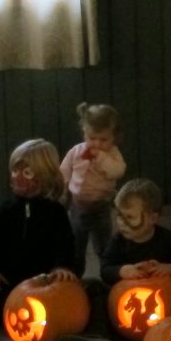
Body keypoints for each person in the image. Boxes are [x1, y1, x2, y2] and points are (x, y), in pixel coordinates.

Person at [0, 139, 115, 341]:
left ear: (44, 177)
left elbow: (66, 243)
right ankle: (63, 338)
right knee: (4, 314)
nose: (18, 176)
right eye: (15, 169)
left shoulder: (54, 211)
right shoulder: (6, 211)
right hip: (14, 287)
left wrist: (63, 267)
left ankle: (95, 338)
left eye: (26, 172)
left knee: (96, 292)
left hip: (51, 284)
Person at [100, 178, 171, 316]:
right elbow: (105, 271)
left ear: (153, 218)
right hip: (125, 297)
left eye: (129, 217)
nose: (122, 223)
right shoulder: (118, 241)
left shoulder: (166, 238)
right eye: (119, 216)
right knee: (101, 303)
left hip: (164, 297)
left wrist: (168, 269)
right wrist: (122, 271)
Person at [61, 102, 126, 275]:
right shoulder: (76, 152)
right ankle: (75, 280)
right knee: (75, 247)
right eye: (92, 138)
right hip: (77, 207)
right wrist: (61, 188)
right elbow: (64, 171)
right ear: (84, 133)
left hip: (101, 207)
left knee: (104, 246)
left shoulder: (112, 154)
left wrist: (103, 159)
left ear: (114, 137)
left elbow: (118, 171)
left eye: (103, 139)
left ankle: (108, 276)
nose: (96, 144)